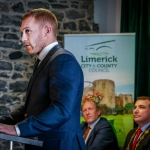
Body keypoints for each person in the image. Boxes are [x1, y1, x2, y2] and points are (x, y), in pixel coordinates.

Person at [0, 8, 86, 150]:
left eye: (28, 31)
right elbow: (35, 107)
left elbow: (61, 109)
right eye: (22, 32)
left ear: (47, 30)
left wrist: (18, 129)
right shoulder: (44, 60)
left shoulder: (63, 60)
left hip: (60, 146)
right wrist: (3, 122)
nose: (23, 38)